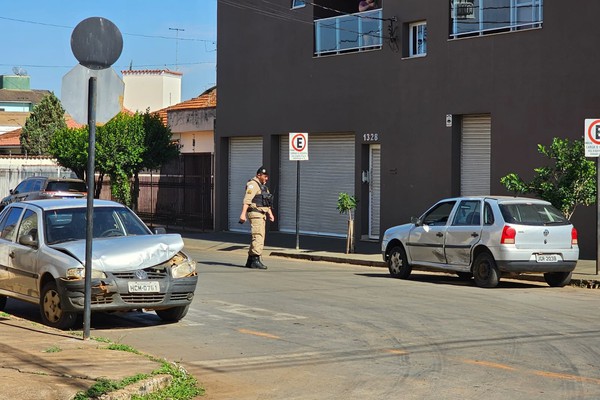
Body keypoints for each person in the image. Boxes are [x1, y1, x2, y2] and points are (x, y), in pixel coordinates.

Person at [239, 166, 275, 269]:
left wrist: (270, 214)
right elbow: (247, 200)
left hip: (261, 214)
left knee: (259, 236)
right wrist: (243, 214)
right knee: (258, 235)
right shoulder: (253, 185)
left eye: (267, 176)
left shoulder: (263, 187)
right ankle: (255, 259)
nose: (266, 178)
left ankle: (250, 260)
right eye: (265, 176)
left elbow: (266, 202)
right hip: (255, 213)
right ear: (258, 175)